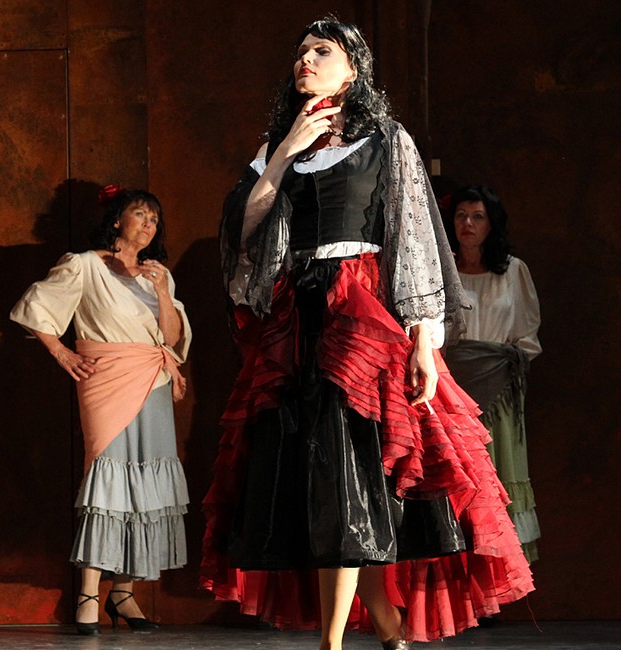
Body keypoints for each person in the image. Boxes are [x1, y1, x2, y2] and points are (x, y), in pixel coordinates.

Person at [200, 16, 534, 650]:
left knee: (351, 466)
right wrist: (286, 153)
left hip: (359, 308)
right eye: (301, 51)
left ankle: (334, 642)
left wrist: (424, 340)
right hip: (295, 315)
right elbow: (243, 230)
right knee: (321, 471)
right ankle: (386, 626)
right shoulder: (280, 144)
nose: (306, 59)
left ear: (352, 70)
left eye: (322, 51)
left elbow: (412, 235)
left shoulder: (385, 138)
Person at [10, 186, 191, 635]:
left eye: (154, 219)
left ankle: (123, 593)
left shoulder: (159, 276)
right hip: (108, 381)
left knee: (145, 483)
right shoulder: (85, 264)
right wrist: (61, 352)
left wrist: (161, 292)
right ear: (116, 220)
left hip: (152, 380)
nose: (148, 225)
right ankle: (89, 594)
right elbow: (36, 306)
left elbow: (170, 338)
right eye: (140, 215)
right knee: (107, 481)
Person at [443, 184, 542, 562]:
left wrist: (497, 366)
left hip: (499, 392)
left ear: (491, 224)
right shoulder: (443, 270)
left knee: (498, 475)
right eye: (461, 215)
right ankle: (461, 575)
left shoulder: (513, 271)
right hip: (451, 390)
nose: (467, 223)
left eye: (477, 216)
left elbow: (527, 335)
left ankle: (499, 572)